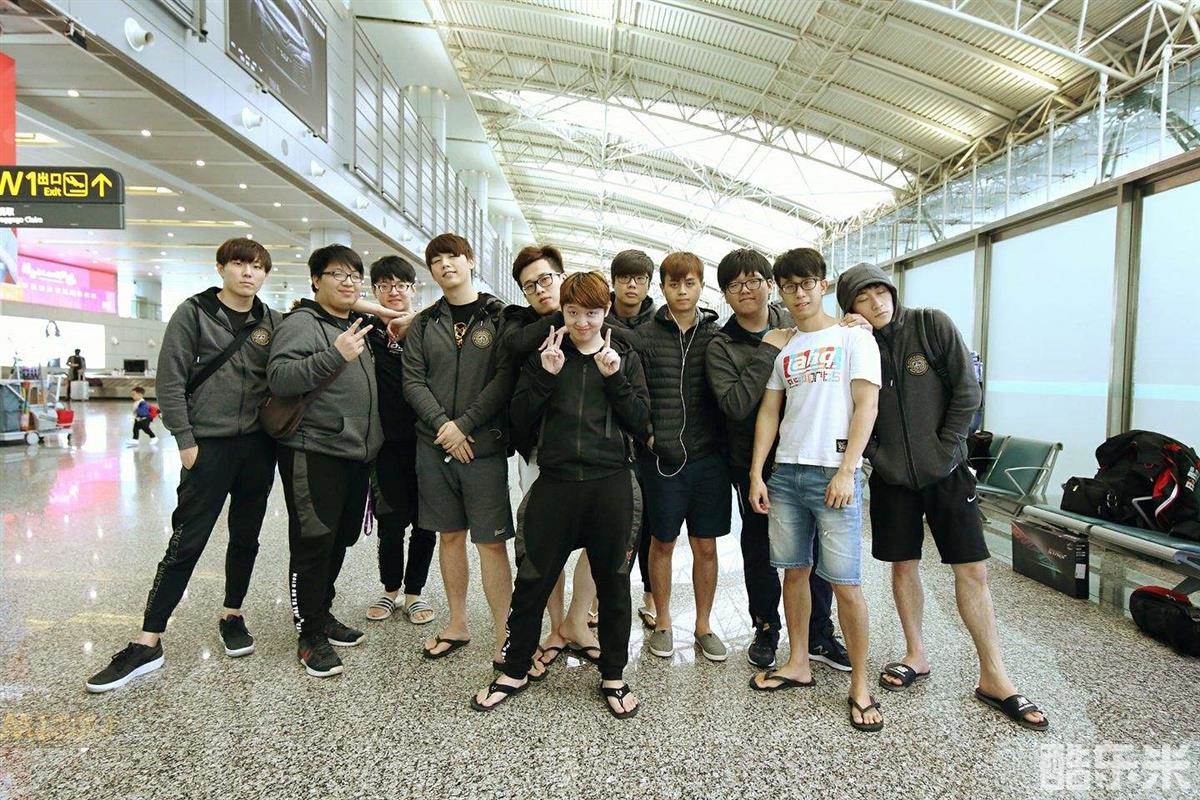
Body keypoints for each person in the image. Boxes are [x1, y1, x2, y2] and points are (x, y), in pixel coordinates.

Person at [837, 262, 1049, 731]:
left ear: (892, 292)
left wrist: (946, 447)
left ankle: (993, 674)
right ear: (851, 309)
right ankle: (916, 653)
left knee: (972, 569)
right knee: (903, 565)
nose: (876, 303)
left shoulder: (931, 324)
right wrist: (879, 455)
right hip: (892, 478)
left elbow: (967, 391)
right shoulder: (855, 343)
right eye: (863, 298)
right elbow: (845, 405)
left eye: (880, 292)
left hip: (949, 473)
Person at [86, 237, 281, 693]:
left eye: (257, 267)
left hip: (257, 447)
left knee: (246, 536)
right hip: (207, 446)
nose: (248, 273)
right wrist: (186, 440)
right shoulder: (193, 313)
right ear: (221, 268)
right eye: (239, 264)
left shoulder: (271, 320)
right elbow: (170, 380)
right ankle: (148, 640)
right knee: (186, 541)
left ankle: (232, 614)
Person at [471, 271, 651, 718]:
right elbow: (518, 421)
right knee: (533, 580)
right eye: (573, 313)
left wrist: (615, 378)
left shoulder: (624, 355)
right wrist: (545, 378)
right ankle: (515, 668)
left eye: (591, 313)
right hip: (555, 483)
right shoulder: (546, 354)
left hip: (611, 484)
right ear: (562, 312)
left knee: (614, 584)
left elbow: (640, 421)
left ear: (605, 311)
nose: (582, 323)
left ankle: (614, 675)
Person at [747, 248, 883, 733]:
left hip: (833, 474)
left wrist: (848, 470)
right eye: (789, 286)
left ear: (822, 285)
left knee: (846, 582)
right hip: (786, 474)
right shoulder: (784, 347)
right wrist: (757, 472)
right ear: (780, 292)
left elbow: (866, 405)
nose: (799, 294)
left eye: (807, 284)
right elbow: (769, 412)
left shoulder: (854, 338)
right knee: (794, 573)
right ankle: (798, 661)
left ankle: (861, 685)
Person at [704, 248, 848, 672]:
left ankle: (819, 632)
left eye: (754, 280)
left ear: (770, 285)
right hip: (753, 462)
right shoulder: (721, 345)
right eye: (735, 285)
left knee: (814, 548)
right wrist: (768, 350)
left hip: (808, 454)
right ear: (725, 295)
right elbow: (736, 405)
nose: (745, 290)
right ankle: (766, 626)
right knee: (760, 547)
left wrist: (853, 322)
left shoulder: (800, 324)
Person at [268, 244, 383, 678]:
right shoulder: (302, 323)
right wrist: (336, 354)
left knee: (339, 539)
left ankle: (322, 611)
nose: (349, 282)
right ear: (316, 279)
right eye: (338, 274)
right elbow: (280, 378)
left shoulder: (350, 323)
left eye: (355, 275)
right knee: (313, 542)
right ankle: (309, 634)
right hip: (314, 452)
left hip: (354, 454)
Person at [402, 233, 517, 668]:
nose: (446, 265)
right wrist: (444, 427)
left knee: (491, 542)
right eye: (437, 260)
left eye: (453, 256)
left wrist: (463, 426)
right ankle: (457, 623)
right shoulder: (425, 323)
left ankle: (505, 635)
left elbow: (503, 380)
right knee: (449, 536)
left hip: (482, 448)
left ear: (470, 261)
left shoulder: (499, 317)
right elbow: (412, 380)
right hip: (434, 447)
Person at [502, 244, 599, 669]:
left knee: (598, 539)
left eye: (545, 279)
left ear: (562, 275)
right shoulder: (521, 325)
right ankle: (557, 625)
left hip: (594, 454)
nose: (540, 290)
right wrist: (563, 315)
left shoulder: (593, 319)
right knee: (545, 542)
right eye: (530, 286)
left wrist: (576, 313)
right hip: (539, 453)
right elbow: (514, 346)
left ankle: (578, 620)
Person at [637, 251, 731, 662]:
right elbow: (634, 393)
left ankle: (704, 625)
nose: (681, 291)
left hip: (709, 460)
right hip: (663, 460)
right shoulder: (645, 336)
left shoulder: (716, 336)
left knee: (706, 546)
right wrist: (649, 436)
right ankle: (662, 621)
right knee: (662, 542)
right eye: (673, 284)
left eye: (689, 283)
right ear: (662, 288)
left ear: (700, 286)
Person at [361, 256, 437, 626]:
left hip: (427, 440)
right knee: (391, 522)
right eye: (385, 285)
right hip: (385, 444)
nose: (394, 291)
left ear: (413, 289)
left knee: (426, 523)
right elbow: (340, 300)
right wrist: (383, 313)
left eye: (401, 285)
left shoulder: (427, 328)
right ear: (375, 290)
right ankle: (390, 589)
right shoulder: (366, 329)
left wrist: (413, 317)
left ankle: (415, 593)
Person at [604, 249, 657, 629]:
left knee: (650, 524)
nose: (632, 285)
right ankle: (598, 597)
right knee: (610, 525)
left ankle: (651, 595)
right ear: (614, 282)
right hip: (610, 435)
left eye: (640, 279)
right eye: (625, 278)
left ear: (650, 284)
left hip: (650, 437)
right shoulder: (597, 318)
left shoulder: (662, 322)